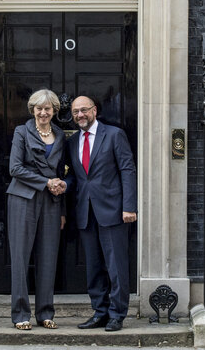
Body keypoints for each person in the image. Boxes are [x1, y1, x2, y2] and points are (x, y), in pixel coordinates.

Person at [65, 95, 137, 332]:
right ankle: (100, 312)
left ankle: (117, 313)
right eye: (76, 112)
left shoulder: (114, 135)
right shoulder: (73, 141)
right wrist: (63, 186)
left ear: (94, 110)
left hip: (114, 211)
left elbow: (127, 169)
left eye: (84, 110)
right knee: (93, 266)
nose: (80, 115)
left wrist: (129, 206)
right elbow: (76, 177)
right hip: (86, 212)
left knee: (116, 265)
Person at [7, 89, 66, 330]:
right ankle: (21, 314)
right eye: (39, 108)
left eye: (48, 108)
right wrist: (46, 182)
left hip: (51, 202)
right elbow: (15, 168)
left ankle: (45, 313)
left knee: (48, 257)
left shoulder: (60, 135)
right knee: (20, 257)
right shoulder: (22, 132)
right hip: (23, 199)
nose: (43, 112)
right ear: (32, 110)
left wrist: (60, 194)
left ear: (54, 111)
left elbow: (61, 170)